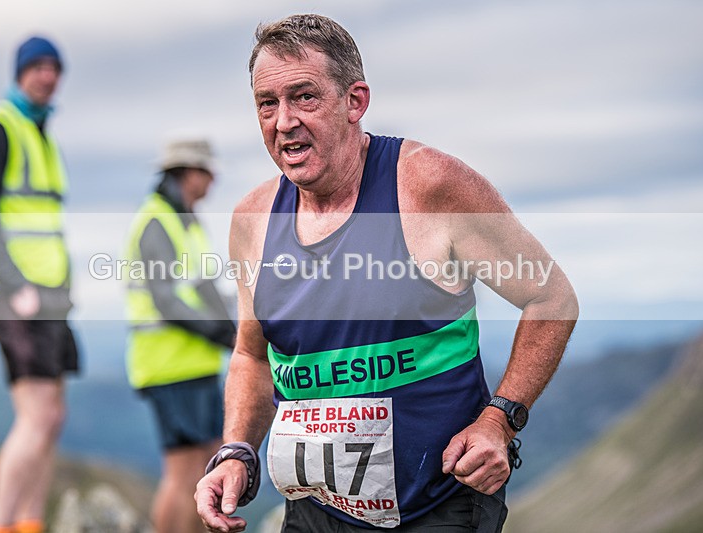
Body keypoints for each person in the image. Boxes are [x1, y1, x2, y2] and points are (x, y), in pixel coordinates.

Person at [196, 13, 578, 533]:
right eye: (268, 103)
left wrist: (499, 419)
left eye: (304, 97)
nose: (283, 121)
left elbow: (551, 299)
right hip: (312, 510)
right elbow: (250, 354)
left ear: (355, 102)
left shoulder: (429, 186)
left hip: (439, 507)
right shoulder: (252, 220)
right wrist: (236, 449)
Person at [0, 36, 78, 533]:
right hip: (16, 292)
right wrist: (14, 284)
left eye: (55, 68)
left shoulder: (41, 132)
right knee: (35, 417)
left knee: (52, 417)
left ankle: (28, 523)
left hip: (50, 294)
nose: (48, 75)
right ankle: (0, 524)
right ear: (20, 72)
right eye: (38, 66)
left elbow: (45, 221)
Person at [124, 139, 237, 533]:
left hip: (193, 363)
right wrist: (224, 335)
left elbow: (204, 287)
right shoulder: (158, 220)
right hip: (169, 365)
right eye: (208, 171)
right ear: (189, 173)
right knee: (183, 471)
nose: (214, 178)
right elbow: (166, 301)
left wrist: (236, 336)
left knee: (204, 465)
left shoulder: (184, 219)